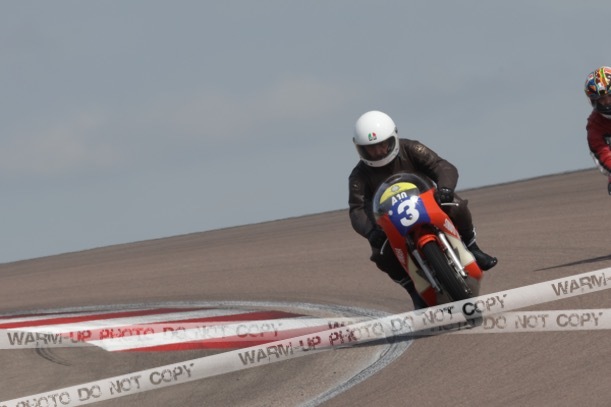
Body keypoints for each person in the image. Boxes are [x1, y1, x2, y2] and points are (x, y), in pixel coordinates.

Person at [348, 110, 497, 309]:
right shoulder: (358, 176)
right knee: (381, 254)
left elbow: (441, 166)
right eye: (371, 148)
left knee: (457, 205)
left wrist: (445, 188)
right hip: (390, 221)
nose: (378, 152)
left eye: (382, 144)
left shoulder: (412, 148)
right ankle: (412, 288)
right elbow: (357, 209)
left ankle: (473, 248)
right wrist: (370, 231)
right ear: (360, 149)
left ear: (393, 138)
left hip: (427, 202)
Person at [584, 66, 611, 194]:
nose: (607, 102)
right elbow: (602, 153)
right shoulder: (595, 126)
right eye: (602, 99)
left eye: (609, 96)